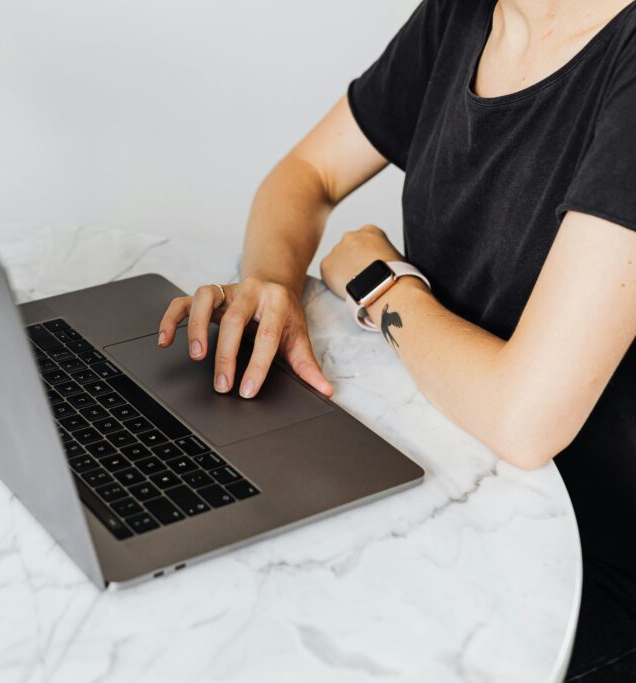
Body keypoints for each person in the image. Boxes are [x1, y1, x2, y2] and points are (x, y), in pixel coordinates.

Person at [157, 0, 636, 678]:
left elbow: (526, 418)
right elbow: (306, 176)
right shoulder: (462, 15)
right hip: (444, 478)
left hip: (592, 575)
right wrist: (269, 280)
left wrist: (381, 286)